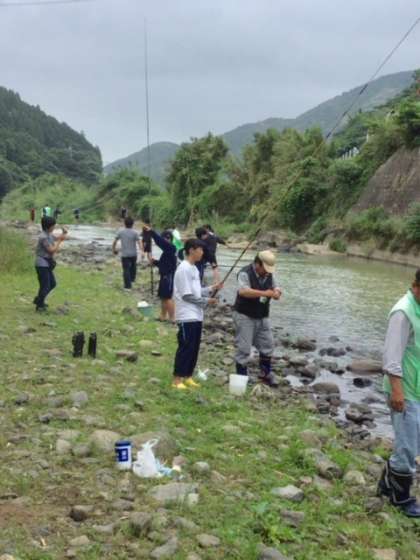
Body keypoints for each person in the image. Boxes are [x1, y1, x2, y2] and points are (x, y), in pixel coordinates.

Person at [377, 269, 420, 517]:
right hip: (404, 390)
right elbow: (391, 357)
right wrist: (397, 391)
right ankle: (400, 498)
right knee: (408, 446)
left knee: (413, 440)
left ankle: (386, 483)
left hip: (417, 388)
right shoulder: (403, 312)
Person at [172, 238, 223, 389]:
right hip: (186, 315)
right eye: (200, 250)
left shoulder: (194, 268)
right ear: (191, 250)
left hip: (196, 314)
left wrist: (212, 288)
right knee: (185, 347)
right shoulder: (183, 268)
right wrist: (207, 301)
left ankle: (188, 376)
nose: (202, 253)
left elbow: (196, 291)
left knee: (194, 348)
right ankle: (176, 380)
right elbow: (186, 296)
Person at [233, 250, 282, 387]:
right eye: (265, 269)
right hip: (244, 315)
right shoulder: (245, 273)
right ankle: (241, 378)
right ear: (257, 264)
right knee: (244, 348)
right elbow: (243, 291)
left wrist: (277, 292)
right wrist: (265, 293)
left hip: (262, 315)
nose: (267, 272)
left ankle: (265, 373)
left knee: (268, 344)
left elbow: (276, 287)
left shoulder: (269, 274)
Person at [33, 216, 67, 312]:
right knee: (45, 286)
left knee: (52, 283)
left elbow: (58, 237)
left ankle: (39, 300)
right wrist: (60, 241)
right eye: (53, 225)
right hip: (41, 264)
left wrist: (64, 233)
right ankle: (40, 306)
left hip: (47, 264)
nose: (54, 227)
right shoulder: (43, 237)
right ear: (49, 226)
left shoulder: (49, 234)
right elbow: (51, 250)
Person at [144, 226, 177, 322]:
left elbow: (160, 242)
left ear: (170, 239)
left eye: (168, 238)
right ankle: (163, 316)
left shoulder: (171, 248)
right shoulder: (167, 251)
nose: (166, 240)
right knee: (163, 297)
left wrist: (152, 232)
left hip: (168, 276)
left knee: (168, 297)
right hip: (164, 275)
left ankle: (172, 318)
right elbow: (164, 263)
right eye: (165, 238)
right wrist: (154, 262)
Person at [112, 216, 142, 289]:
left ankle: (127, 286)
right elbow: (139, 242)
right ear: (132, 224)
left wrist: (114, 249)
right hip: (133, 254)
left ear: (124, 223)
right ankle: (132, 280)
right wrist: (142, 251)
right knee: (133, 268)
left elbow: (115, 241)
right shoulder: (135, 233)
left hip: (125, 255)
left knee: (126, 269)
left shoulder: (121, 232)